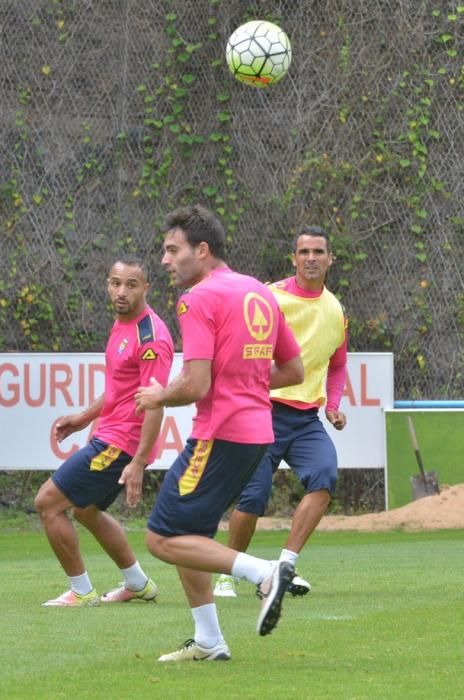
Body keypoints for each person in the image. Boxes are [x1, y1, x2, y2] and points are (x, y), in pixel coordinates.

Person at [134, 204, 304, 662]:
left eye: (173, 250)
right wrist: (244, 380)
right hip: (256, 435)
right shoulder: (259, 292)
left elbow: (196, 385)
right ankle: (209, 640)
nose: (165, 261)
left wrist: (157, 396)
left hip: (220, 432)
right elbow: (293, 369)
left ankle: (265, 573)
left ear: (202, 249)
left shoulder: (198, 298)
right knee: (192, 536)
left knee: (161, 538)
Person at [213, 225, 347, 598]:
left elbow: (337, 365)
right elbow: (240, 343)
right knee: (253, 497)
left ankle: (285, 565)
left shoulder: (335, 310)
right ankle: (228, 573)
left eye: (318, 252)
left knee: (324, 477)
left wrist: (332, 405)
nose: (311, 258)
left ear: (330, 259)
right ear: (294, 258)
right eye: (304, 252)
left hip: (305, 419)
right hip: (262, 412)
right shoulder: (269, 297)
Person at [34, 259, 174, 607]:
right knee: (85, 511)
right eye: (115, 283)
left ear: (146, 288)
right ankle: (138, 583)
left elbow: (155, 403)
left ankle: (81, 591)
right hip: (110, 433)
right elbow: (120, 389)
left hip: (122, 441)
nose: (121, 292)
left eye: (130, 284)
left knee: (48, 503)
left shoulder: (151, 337)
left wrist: (139, 461)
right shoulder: (121, 324)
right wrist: (83, 417)